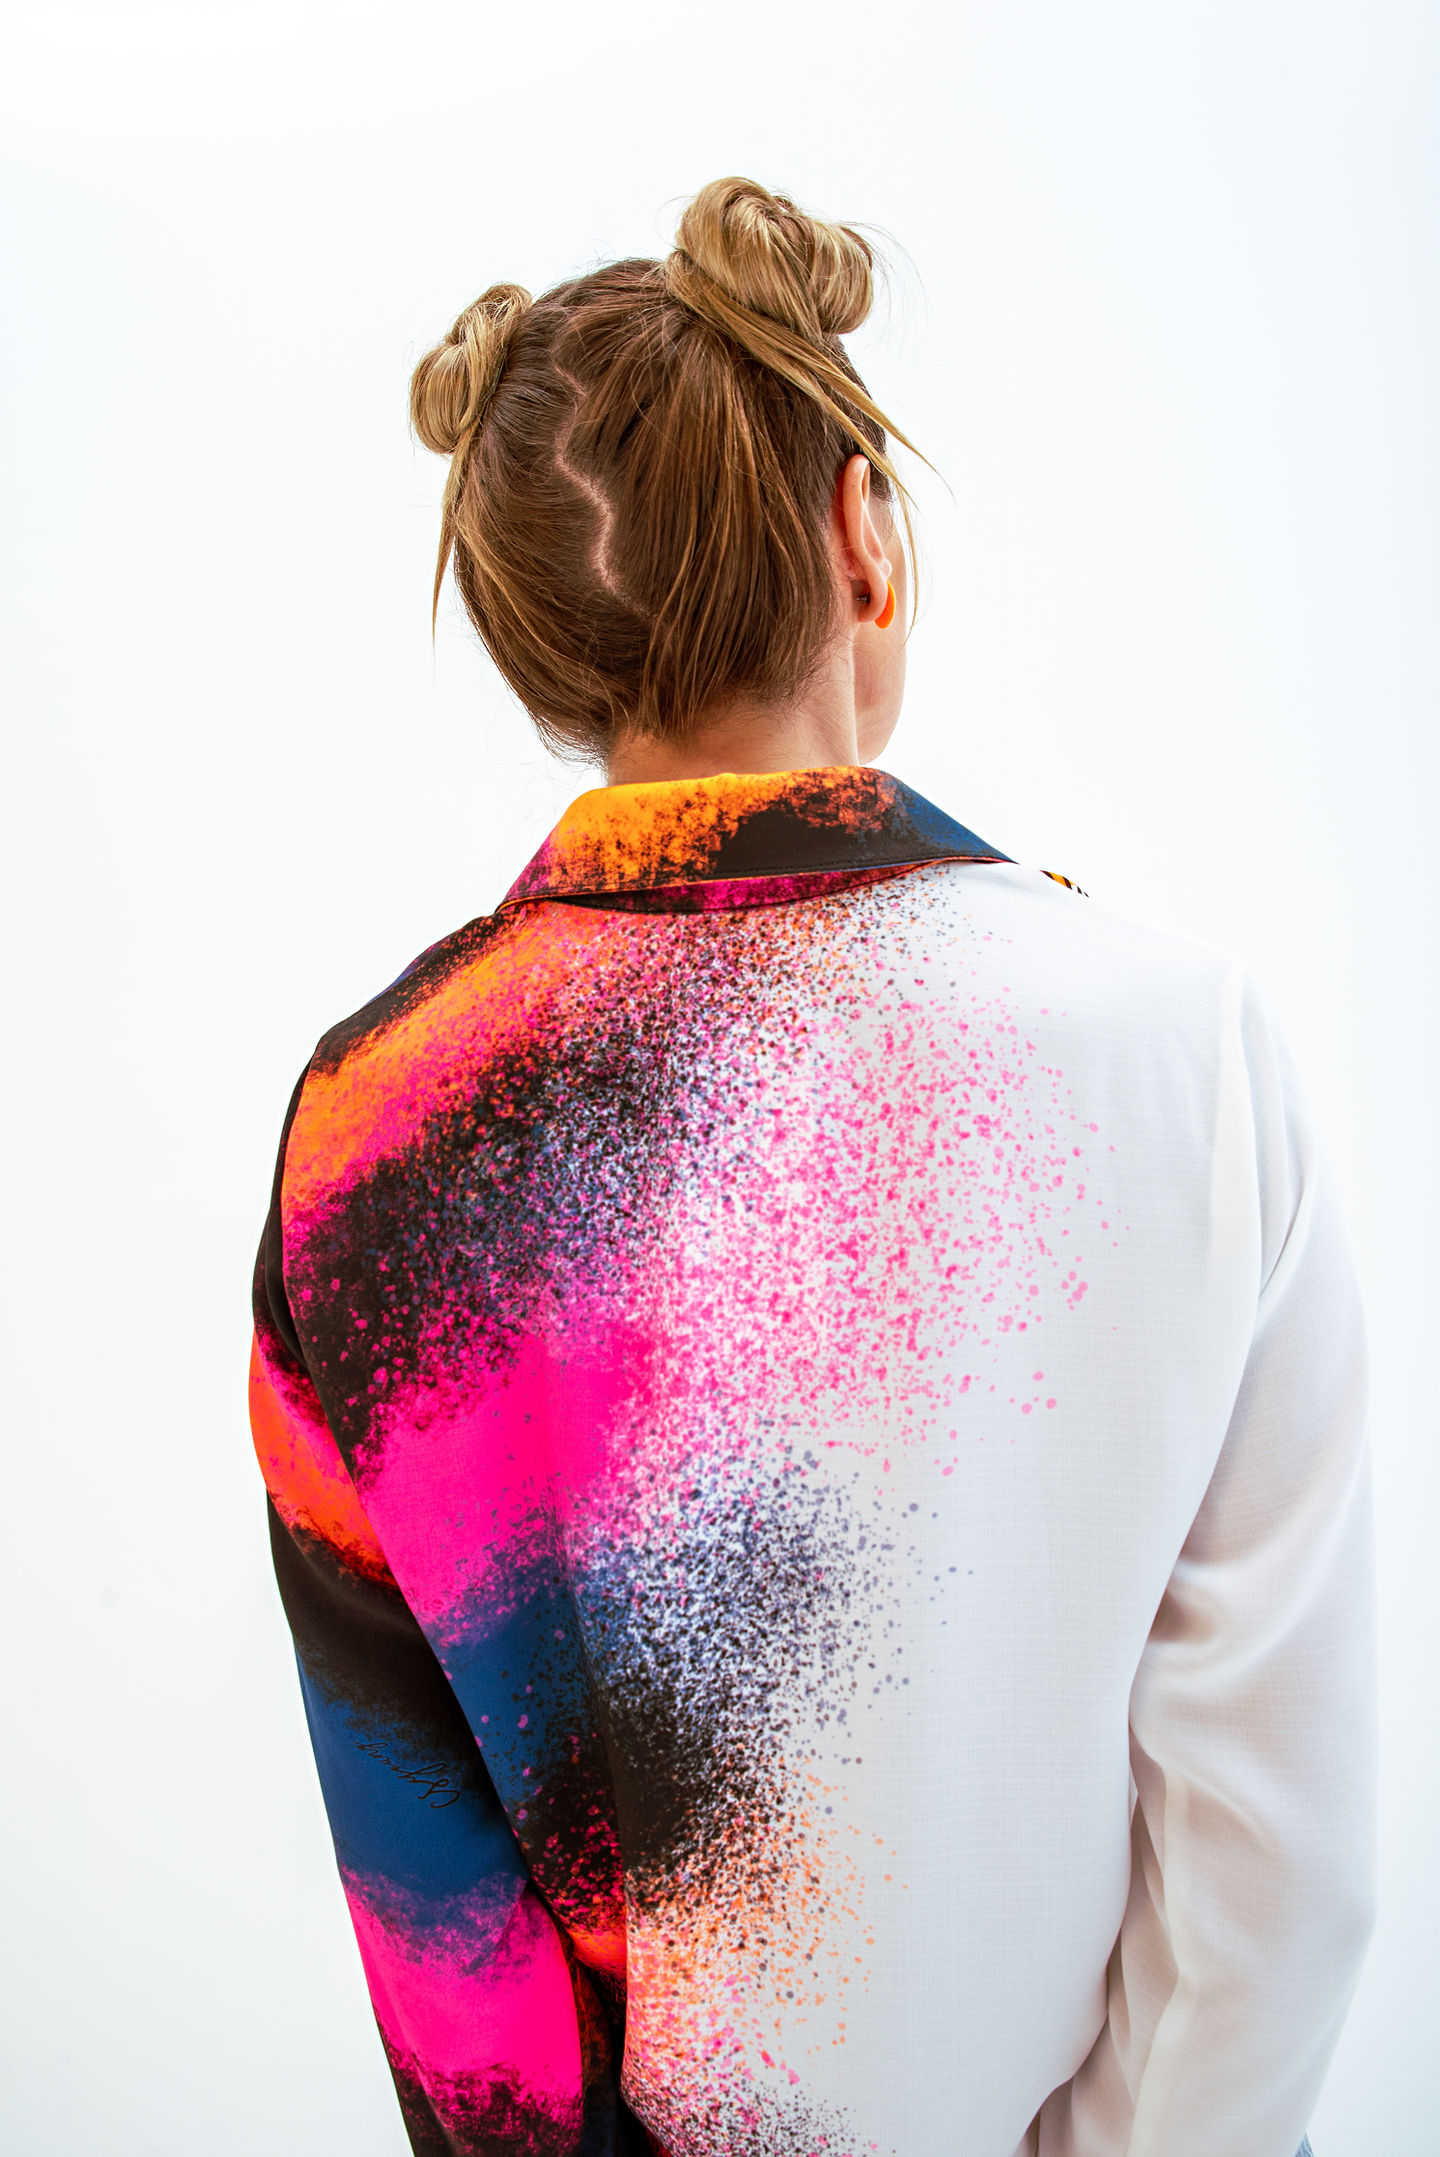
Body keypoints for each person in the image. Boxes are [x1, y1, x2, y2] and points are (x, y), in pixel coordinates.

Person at [249, 177, 1373, 2157]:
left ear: (537, 644)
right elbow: (1282, 1862)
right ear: (864, 532)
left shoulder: (370, 1140)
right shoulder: (1177, 1051)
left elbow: (444, 1937)